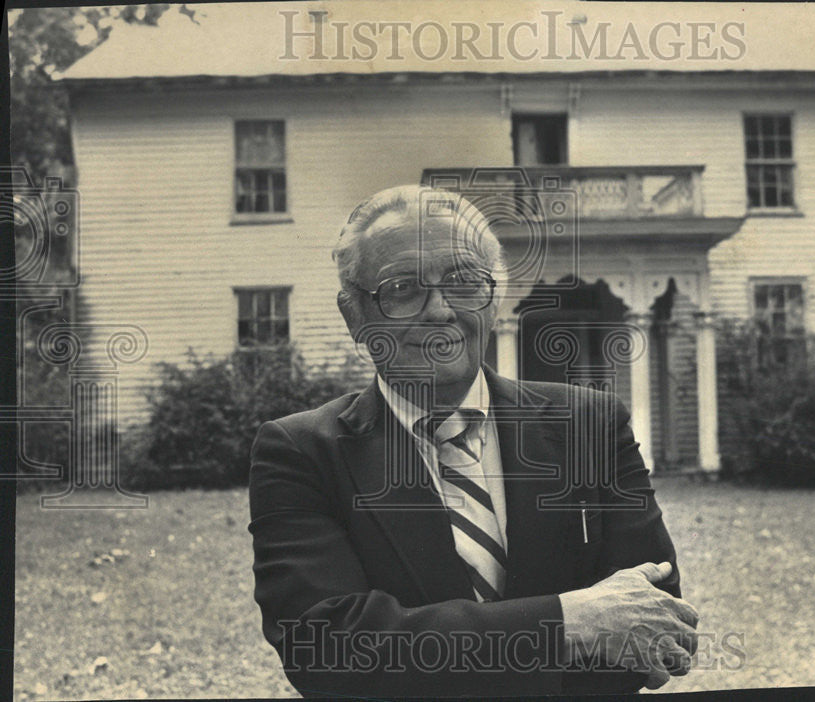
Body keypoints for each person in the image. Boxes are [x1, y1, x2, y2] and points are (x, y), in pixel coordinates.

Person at [248, 184, 698, 697]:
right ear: (355, 315)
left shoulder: (590, 425)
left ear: (494, 299)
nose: (439, 310)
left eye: (464, 281)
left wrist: (424, 653)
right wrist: (571, 623)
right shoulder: (302, 452)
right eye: (402, 288)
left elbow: (659, 619)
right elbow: (325, 649)